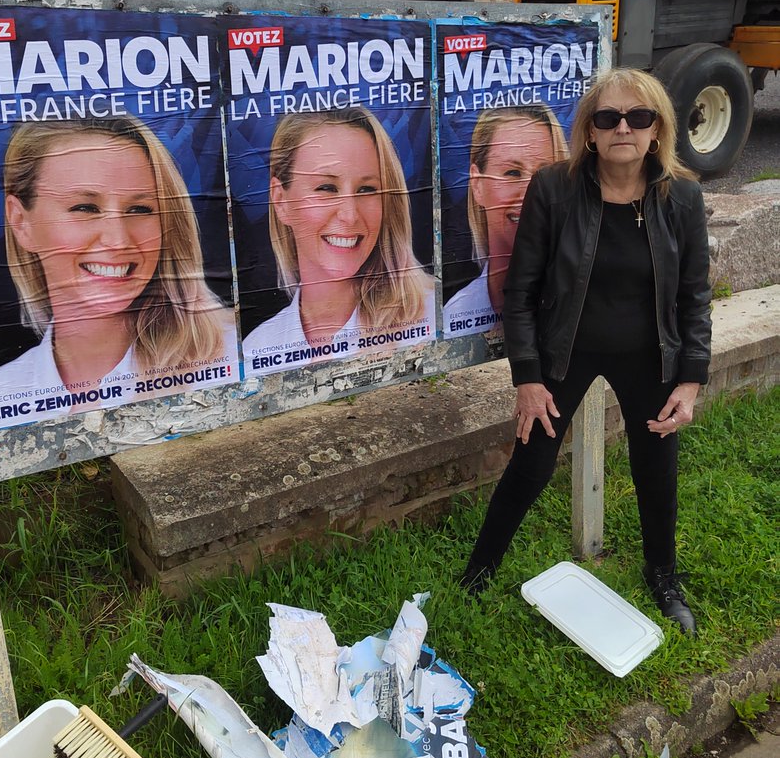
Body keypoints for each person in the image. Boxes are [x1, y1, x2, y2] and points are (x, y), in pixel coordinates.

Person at [460, 68, 711, 635]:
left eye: (638, 117)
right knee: (531, 462)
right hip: (564, 351)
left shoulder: (683, 198)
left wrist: (690, 380)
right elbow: (520, 292)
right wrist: (528, 377)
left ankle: (663, 577)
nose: (623, 127)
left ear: (656, 129)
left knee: (656, 465)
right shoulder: (554, 188)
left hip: (649, 356)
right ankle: (477, 573)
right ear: (591, 132)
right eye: (608, 117)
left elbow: (694, 300)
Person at [0, 115, 238, 429]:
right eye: (84, 207)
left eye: (139, 209)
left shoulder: (233, 353)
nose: (118, 240)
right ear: (21, 222)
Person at [242, 107, 436, 377]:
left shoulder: (434, 314)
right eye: (326, 188)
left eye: (367, 189)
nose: (349, 215)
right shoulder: (257, 349)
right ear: (281, 200)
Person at [443, 105, 568, 338]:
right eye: (512, 173)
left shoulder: (584, 295)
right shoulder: (456, 316)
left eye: (545, 172)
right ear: (477, 184)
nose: (530, 191)